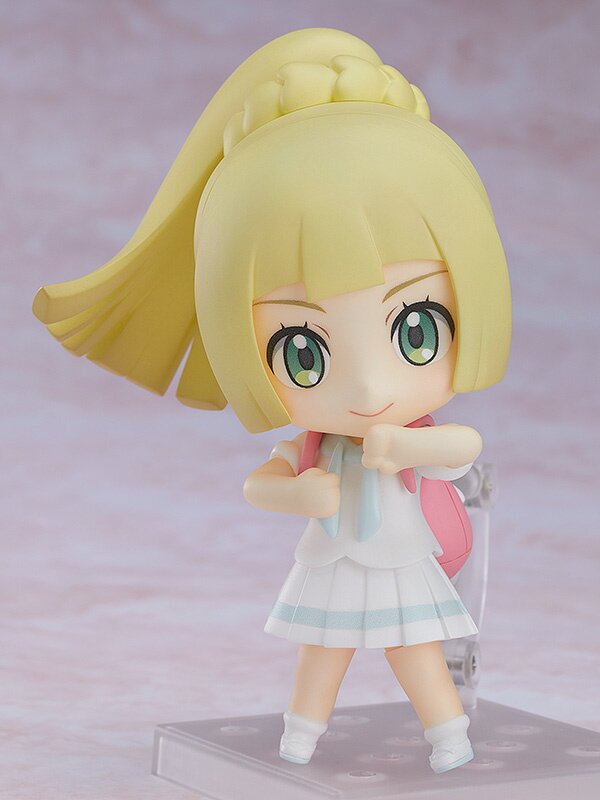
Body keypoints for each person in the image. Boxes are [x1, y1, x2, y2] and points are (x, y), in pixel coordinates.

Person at [32, 28, 511, 774]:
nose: (367, 389)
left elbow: (461, 449)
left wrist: (409, 446)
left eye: (415, 330)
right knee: (322, 648)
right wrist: (300, 493)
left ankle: (448, 734)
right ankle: (301, 734)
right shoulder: (315, 445)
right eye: (304, 353)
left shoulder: (404, 432)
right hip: (334, 558)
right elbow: (261, 483)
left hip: (400, 555)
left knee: (412, 645)